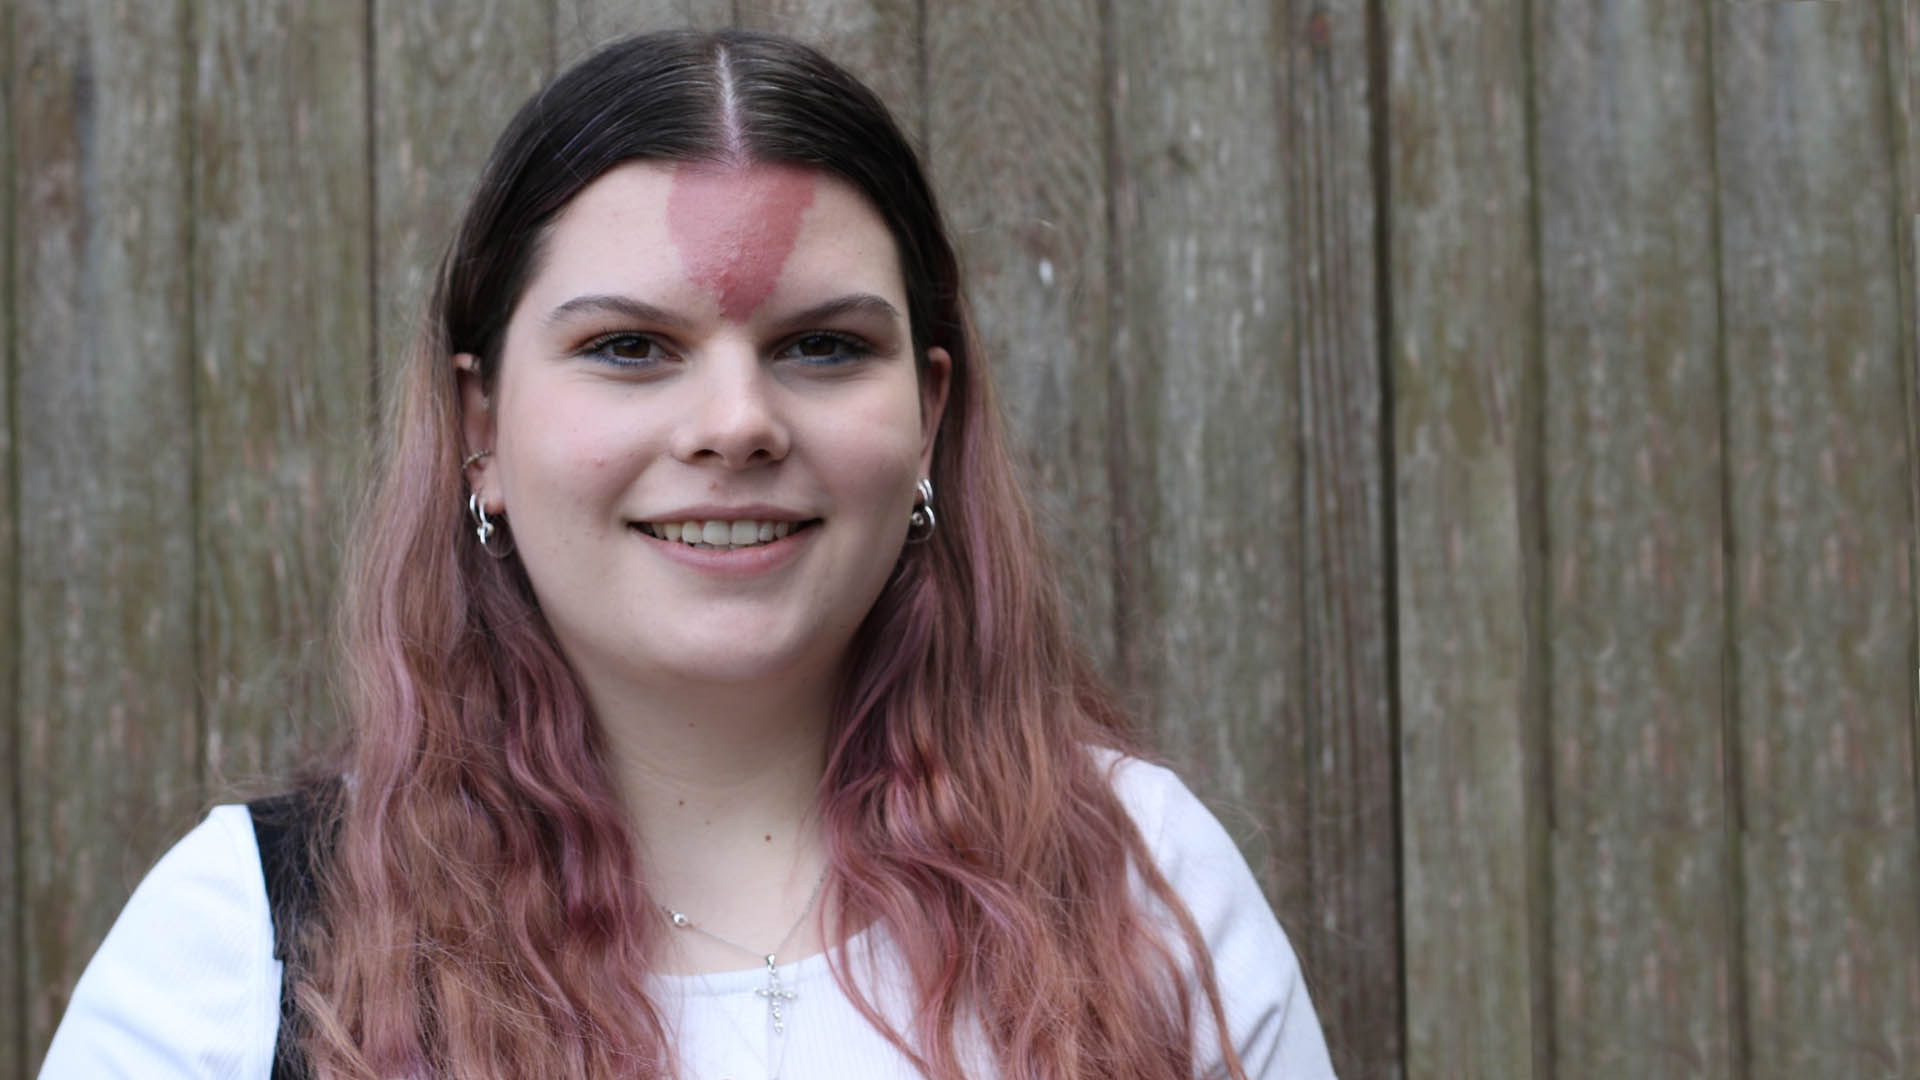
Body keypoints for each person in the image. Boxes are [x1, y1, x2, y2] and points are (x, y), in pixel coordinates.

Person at [39, 29, 1335, 1080]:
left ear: (929, 415)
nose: (734, 426)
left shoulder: (1145, 896)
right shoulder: (247, 950)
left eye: (824, 345)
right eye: (629, 348)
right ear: (481, 425)